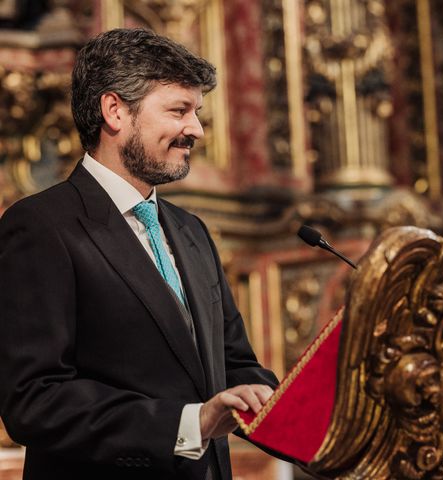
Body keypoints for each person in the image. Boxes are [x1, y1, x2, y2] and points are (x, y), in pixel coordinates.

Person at [0, 28, 278, 480]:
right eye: (179, 110)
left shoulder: (192, 231)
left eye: (197, 111)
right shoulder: (41, 225)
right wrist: (190, 423)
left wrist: (278, 401)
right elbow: (35, 399)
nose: (196, 129)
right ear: (115, 111)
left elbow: (235, 364)